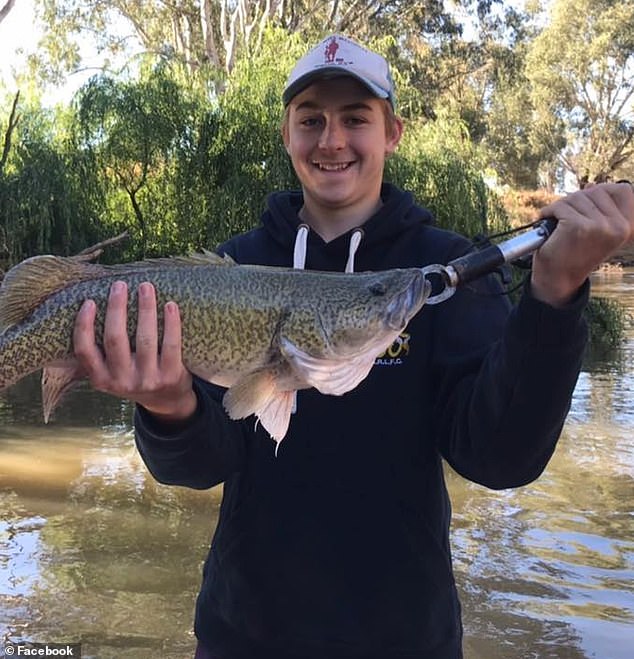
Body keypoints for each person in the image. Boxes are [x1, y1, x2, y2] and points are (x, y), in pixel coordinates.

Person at [72, 34, 634, 659]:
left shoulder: (441, 269)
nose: (332, 139)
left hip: (404, 640)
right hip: (244, 637)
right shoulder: (233, 267)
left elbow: (500, 459)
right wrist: (169, 406)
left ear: (392, 131)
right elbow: (199, 468)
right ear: (286, 134)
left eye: (355, 118)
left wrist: (554, 298)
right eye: (310, 119)